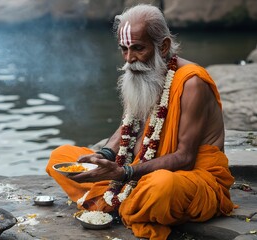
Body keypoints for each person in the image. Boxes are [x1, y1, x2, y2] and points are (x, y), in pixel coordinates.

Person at [46, 4, 235, 240]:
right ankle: (129, 202)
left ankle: (121, 202)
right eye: (123, 49)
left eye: (138, 48)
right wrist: (104, 155)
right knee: (61, 157)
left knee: (161, 187)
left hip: (186, 177)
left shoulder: (192, 83)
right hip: (137, 171)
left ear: (163, 46)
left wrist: (125, 172)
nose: (129, 59)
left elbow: (185, 158)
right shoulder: (138, 72)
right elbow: (129, 124)